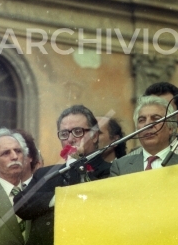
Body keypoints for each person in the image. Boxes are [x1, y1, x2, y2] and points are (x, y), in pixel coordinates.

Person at [14, 105, 110, 245]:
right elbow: (20, 204)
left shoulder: (111, 170)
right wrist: (57, 197)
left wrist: (77, 163)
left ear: (95, 136)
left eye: (78, 131)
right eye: (64, 134)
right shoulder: (44, 173)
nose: (70, 139)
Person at [110, 96, 178, 176]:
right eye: (142, 120)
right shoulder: (120, 167)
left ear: (171, 128)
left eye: (155, 119)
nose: (147, 124)